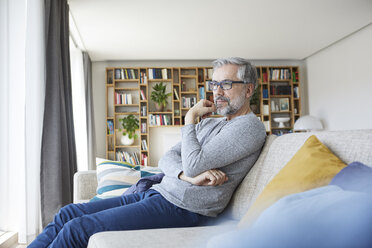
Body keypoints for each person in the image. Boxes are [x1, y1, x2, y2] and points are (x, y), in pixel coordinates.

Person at [28, 57, 266, 248]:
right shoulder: (212, 123)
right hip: (159, 194)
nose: (217, 91)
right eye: (214, 84)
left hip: (184, 208)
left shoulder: (248, 127)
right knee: (67, 213)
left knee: (77, 229)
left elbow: (194, 163)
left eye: (226, 84)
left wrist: (190, 119)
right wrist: (185, 176)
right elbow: (167, 158)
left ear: (248, 90)